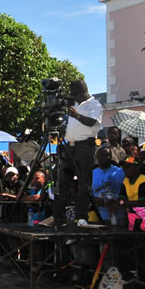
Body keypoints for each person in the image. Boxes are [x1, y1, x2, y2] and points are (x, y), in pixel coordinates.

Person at [54, 79, 103, 227]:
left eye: (75, 95)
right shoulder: (75, 104)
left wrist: (77, 116)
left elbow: (92, 122)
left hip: (85, 146)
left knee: (83, 182)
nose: (73, 97)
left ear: (83, 92)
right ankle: (59, 217)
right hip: (70, 146)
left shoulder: (95, 104)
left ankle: (82, 217)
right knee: (62, 181)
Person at [91, 147, 126, 225]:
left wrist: (118, 201)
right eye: (102, 155)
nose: (105, 158)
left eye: (108, 155)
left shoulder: (120, 172)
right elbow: (88, 193)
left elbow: (125, 191)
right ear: (97, 157)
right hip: (98, 215)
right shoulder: (92, 173)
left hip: (117, 214)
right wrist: (95, 200)